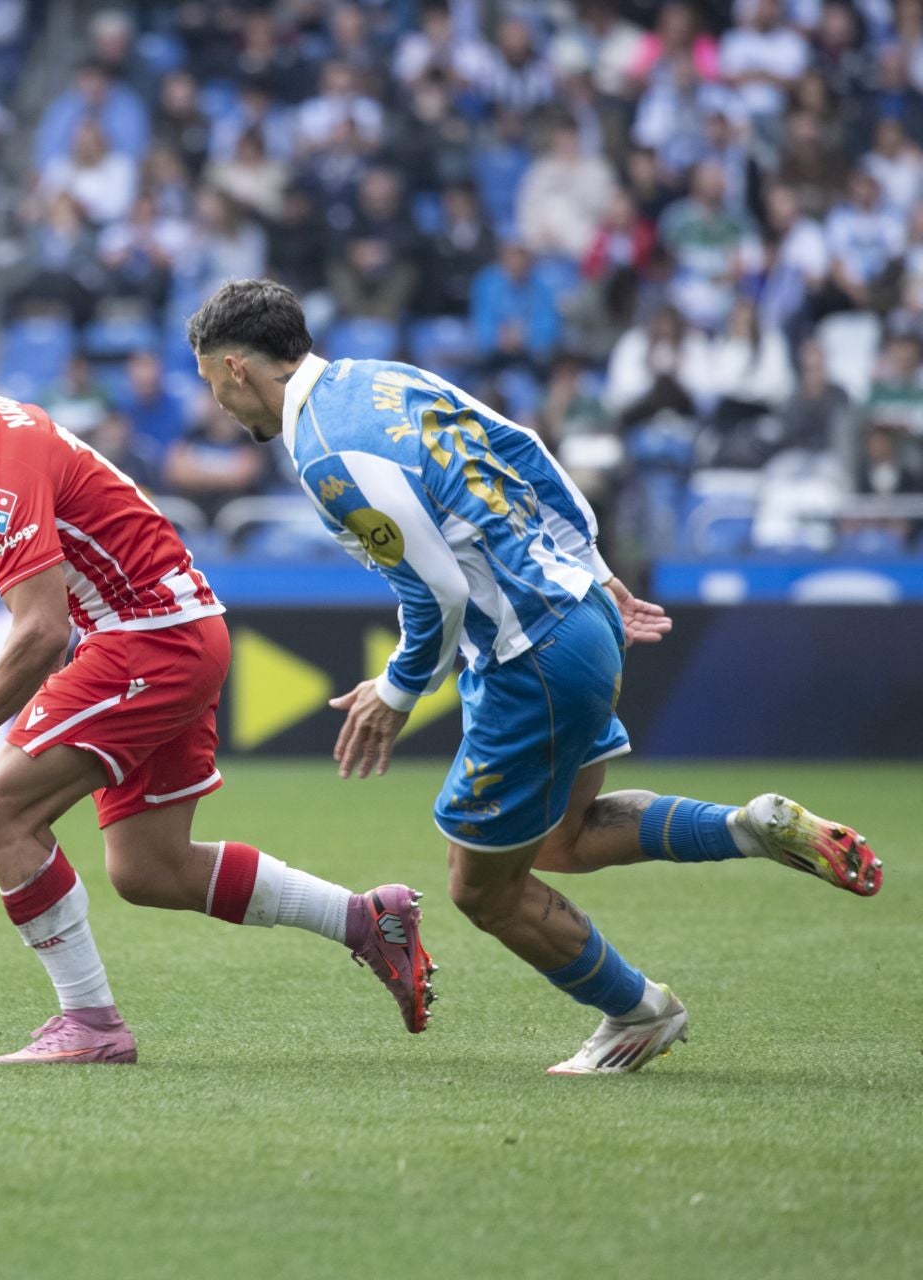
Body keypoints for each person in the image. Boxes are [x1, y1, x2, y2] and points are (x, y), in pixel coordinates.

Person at [186, 278, 882, 1076]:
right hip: (578, 616)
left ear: (238, 368)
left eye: (213, 386)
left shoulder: (321, 450)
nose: (221, 409)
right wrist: (593, 568)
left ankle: (639, 1012)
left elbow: (438, 590)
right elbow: (524, 444)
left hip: (532, 656)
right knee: (562, 838)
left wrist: (398, 690)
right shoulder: (386, 378)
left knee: (480, 888)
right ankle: (747, 826)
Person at [0, 280, 435, 1066]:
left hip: (148, 638)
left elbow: (40, 630)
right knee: (149, 868)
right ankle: (366, 920)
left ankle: (91, 1025)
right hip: (171, 630)